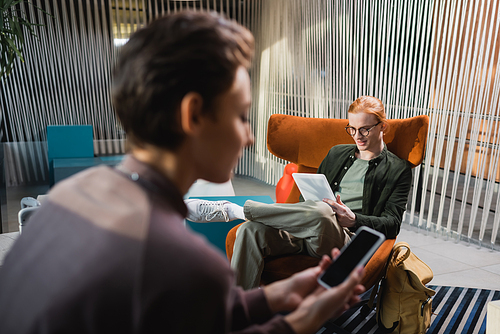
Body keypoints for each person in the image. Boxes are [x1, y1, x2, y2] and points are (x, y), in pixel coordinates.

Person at [0, 11, 365, 334]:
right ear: (193, 115)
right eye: (240, 116)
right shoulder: (185, 265)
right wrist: (304, 320)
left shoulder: (69, 194)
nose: (250, 137)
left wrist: (274, 296)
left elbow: (184, 315)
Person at [187, 96, 412, 290]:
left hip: (345, 238)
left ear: (383, 126)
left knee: (325, 211)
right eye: (352, 129)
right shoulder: (336, 154)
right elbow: (309, 202)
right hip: (309, 226)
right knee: (250, 230)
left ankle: (236, 210)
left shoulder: (398, 169)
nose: (357, 136)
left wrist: (353, 220)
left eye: (365, 129)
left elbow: (392, 223)